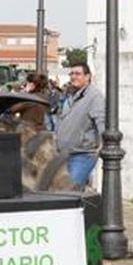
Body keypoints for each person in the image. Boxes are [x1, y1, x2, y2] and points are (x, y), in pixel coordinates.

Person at [55, 62, 104, 190]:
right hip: (64, 154)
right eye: (71, 73)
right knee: (64, 193)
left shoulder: (94, 96)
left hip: (82, 155)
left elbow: (101, 120)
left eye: (78, 74)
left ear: (88, 76)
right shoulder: (70, 95)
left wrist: (103, 144)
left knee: (69, 191)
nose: (73, 77)